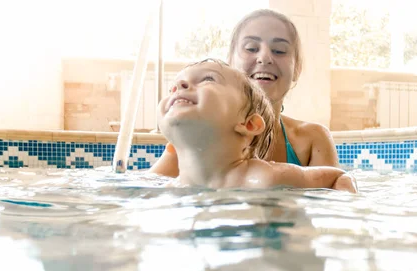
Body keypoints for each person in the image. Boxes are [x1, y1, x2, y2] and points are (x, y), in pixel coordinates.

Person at [150, 9, 342, 176]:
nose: (264, 57)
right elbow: (144, 195)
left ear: (297, 69)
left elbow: (333, 205)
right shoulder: (197, 142)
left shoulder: (312, 140)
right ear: (230, 65)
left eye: (279, 50)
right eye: (251, 48)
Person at [159, 59, 356, 192]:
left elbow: (338, 176)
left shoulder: (264, 178)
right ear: (171, 146)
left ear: (249, 124)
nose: (179, 87)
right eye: (173, 87)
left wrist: (344, 209)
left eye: (207, 79)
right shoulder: (168, 190)